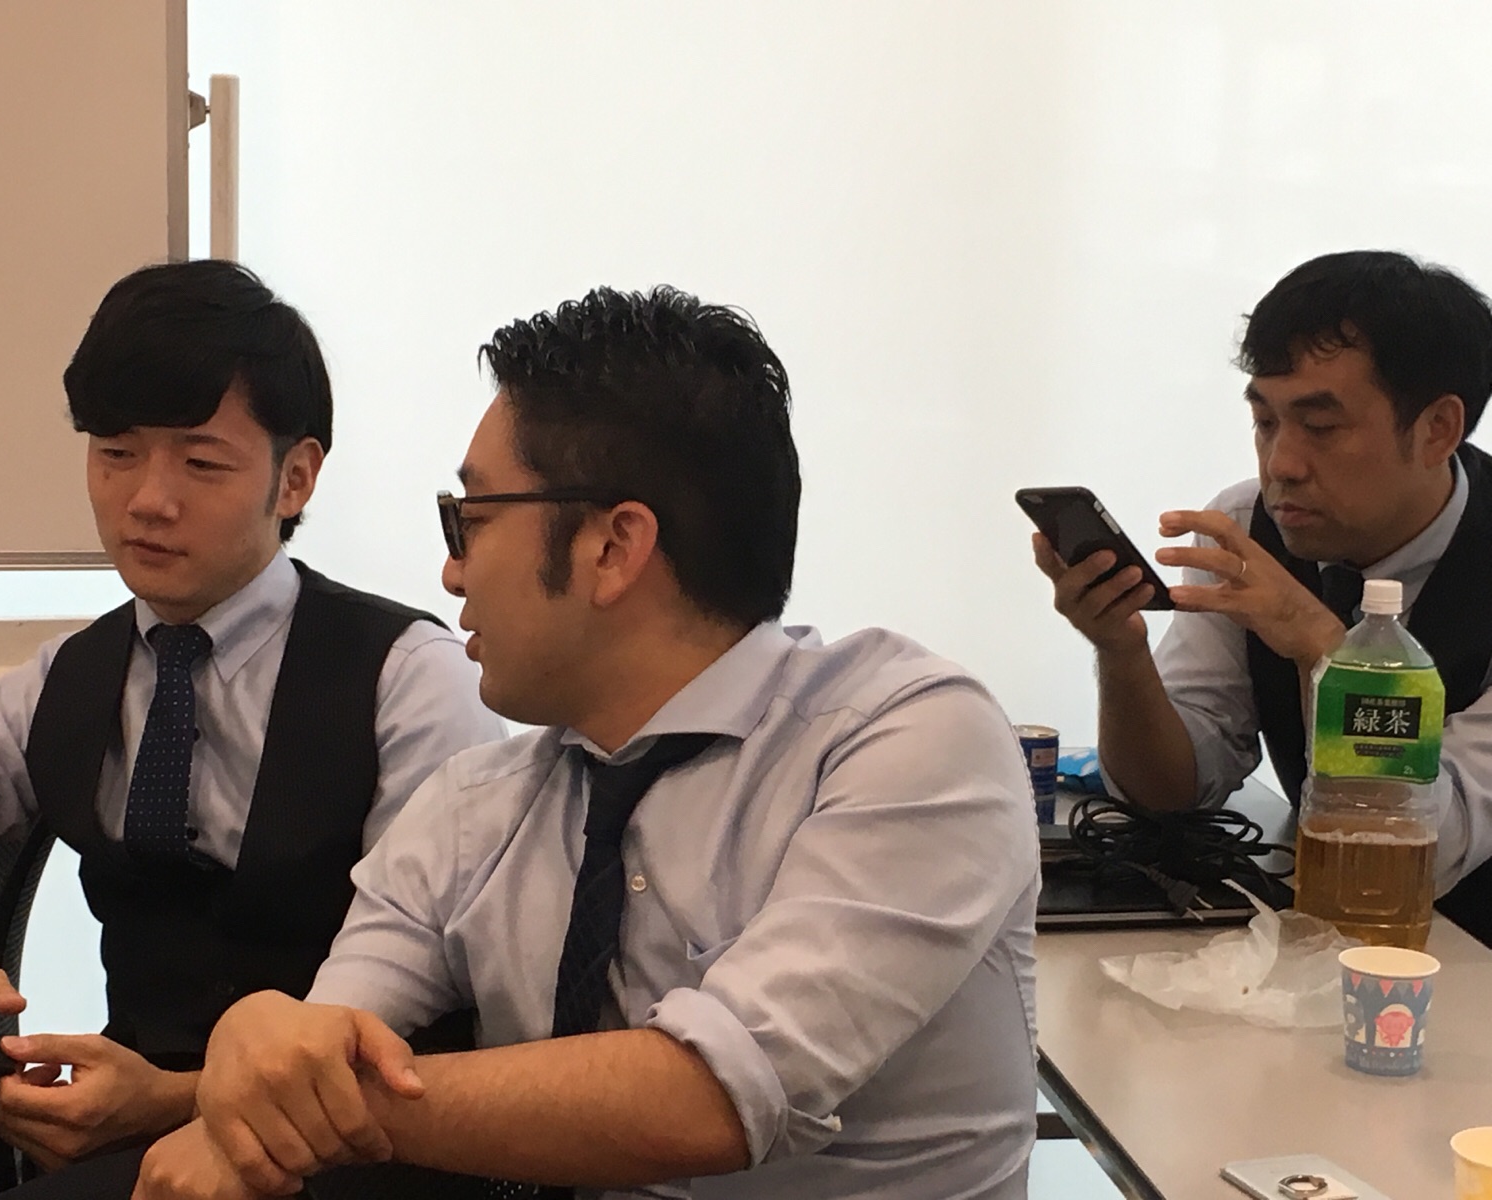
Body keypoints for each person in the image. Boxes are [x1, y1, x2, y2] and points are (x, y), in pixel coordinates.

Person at [132, 285, 1040, 1200]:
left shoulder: (909, 737)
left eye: (472, 520)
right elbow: (329, 1039)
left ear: (613, 547)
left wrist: (312, 1104)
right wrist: (264, 1053)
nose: (450, 571)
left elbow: (713, 1097)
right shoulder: (476, 806)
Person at [0, 259, 505, 1192]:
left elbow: (441, 997)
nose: (148, 499)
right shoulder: (65, 680)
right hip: (134, 1136)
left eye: (201, 461)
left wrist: (177, 1103)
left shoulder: (410, 678)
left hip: (370, 1147)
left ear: (295, 478)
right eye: (115, 452)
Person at [1034, 249, 1492, 946]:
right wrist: (1122, 654)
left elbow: (1429, 851)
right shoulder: (1250, 527)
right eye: (1265, 422)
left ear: (1437, 429)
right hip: (1329, 941)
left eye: (1321, 427)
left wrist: (1326, 650)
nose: (1281, 465)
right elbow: (1176, 792)